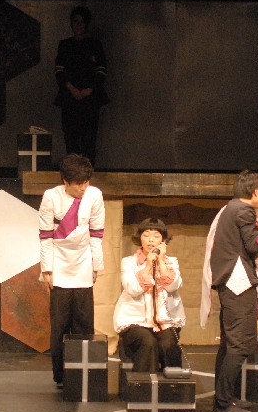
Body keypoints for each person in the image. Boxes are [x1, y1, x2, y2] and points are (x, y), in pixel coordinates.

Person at [204, 170, 258, 412]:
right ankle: (222, 403)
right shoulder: (244, 210)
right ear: (255, 192)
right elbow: (255, 244)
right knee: (240, 344)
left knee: (229, 343)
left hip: (231, 282)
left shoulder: (231, 208)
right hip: (237, 283)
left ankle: (225, 397)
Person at [39, 153, 105, 388]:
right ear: (65, 181)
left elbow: (96, 234)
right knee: (59, 325)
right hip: (59, 261)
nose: (83, 188)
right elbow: (45, 237)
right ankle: (60, 375)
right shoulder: (51, 197)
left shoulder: (95, 195)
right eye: (78, 184)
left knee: (84, 323)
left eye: (86, 182)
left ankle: (83, 373)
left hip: (83, 260)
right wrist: (47, 269)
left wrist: (96, 265)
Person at [114, 218, 185, 372]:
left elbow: (173, 286)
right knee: (148, 342)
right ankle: (144, 383)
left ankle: (172, 384)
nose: (151, 240)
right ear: (140, 238)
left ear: (163, 240)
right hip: (134, 321)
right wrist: (147, 266)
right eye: (146, 235)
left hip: (165, 322)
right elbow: (133, 289)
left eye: (156, 236)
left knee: (168, 344)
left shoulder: (171, 262)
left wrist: (161, 262)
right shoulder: (129, 262)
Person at [53, 5, 109, 166]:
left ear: (87, 24)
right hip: (69, 97)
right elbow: (59, 71)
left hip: (90, 98)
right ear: (71, 23)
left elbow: (101, 71)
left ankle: (88, 171)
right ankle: (72, 171)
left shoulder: (95, 44)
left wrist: (87, 90)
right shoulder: (65, 45)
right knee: (71, 137)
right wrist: (72, 89)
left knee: (89, 137)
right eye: (75, 21)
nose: (79, 25)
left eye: (82, 22)